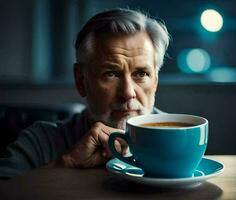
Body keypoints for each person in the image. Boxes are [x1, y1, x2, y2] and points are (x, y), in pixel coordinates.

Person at [0, 8, 170, 179]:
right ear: (81, 80)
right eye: (110, 74)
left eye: (141, 74)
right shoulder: (39, 143)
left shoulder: (193, 143)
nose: (128, 93)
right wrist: (67, 163)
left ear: (155, 80)